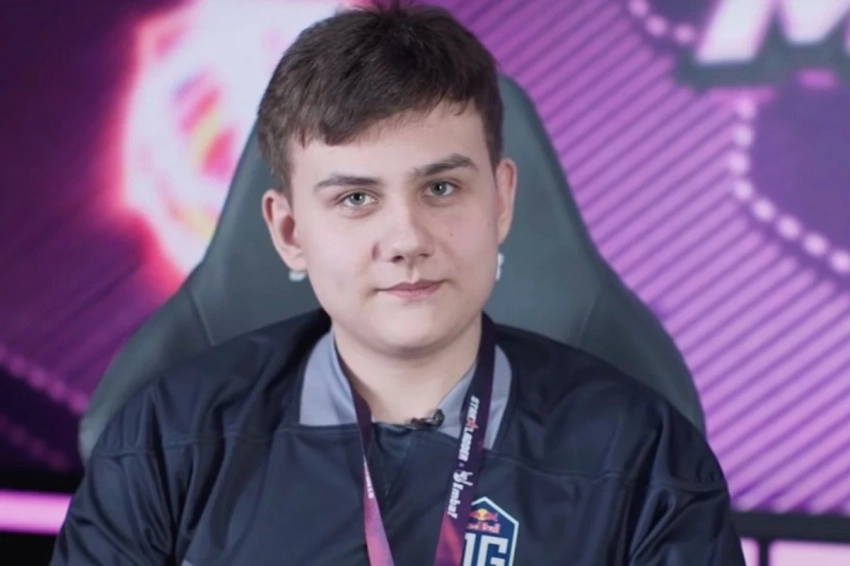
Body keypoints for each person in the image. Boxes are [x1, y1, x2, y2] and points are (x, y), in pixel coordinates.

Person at [51, 1, 746, 564]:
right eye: (356, 198)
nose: (408, 239)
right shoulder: (165, 442)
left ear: (502, 201)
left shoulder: (644, 457)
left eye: (441, 188)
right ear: (289, 231)